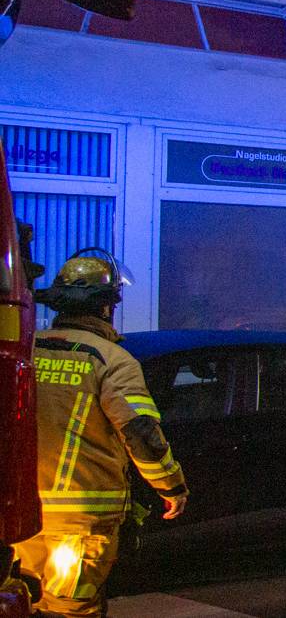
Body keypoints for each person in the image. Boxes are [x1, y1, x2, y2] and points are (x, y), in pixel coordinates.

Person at [19, 250, 187, 618]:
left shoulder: (25, 350)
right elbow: (141, 432)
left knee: (21, 602)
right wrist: (171, 487)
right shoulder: (111, 360)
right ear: (106, 308)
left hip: (21, 512)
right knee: (70, 610)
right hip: (81, 521)